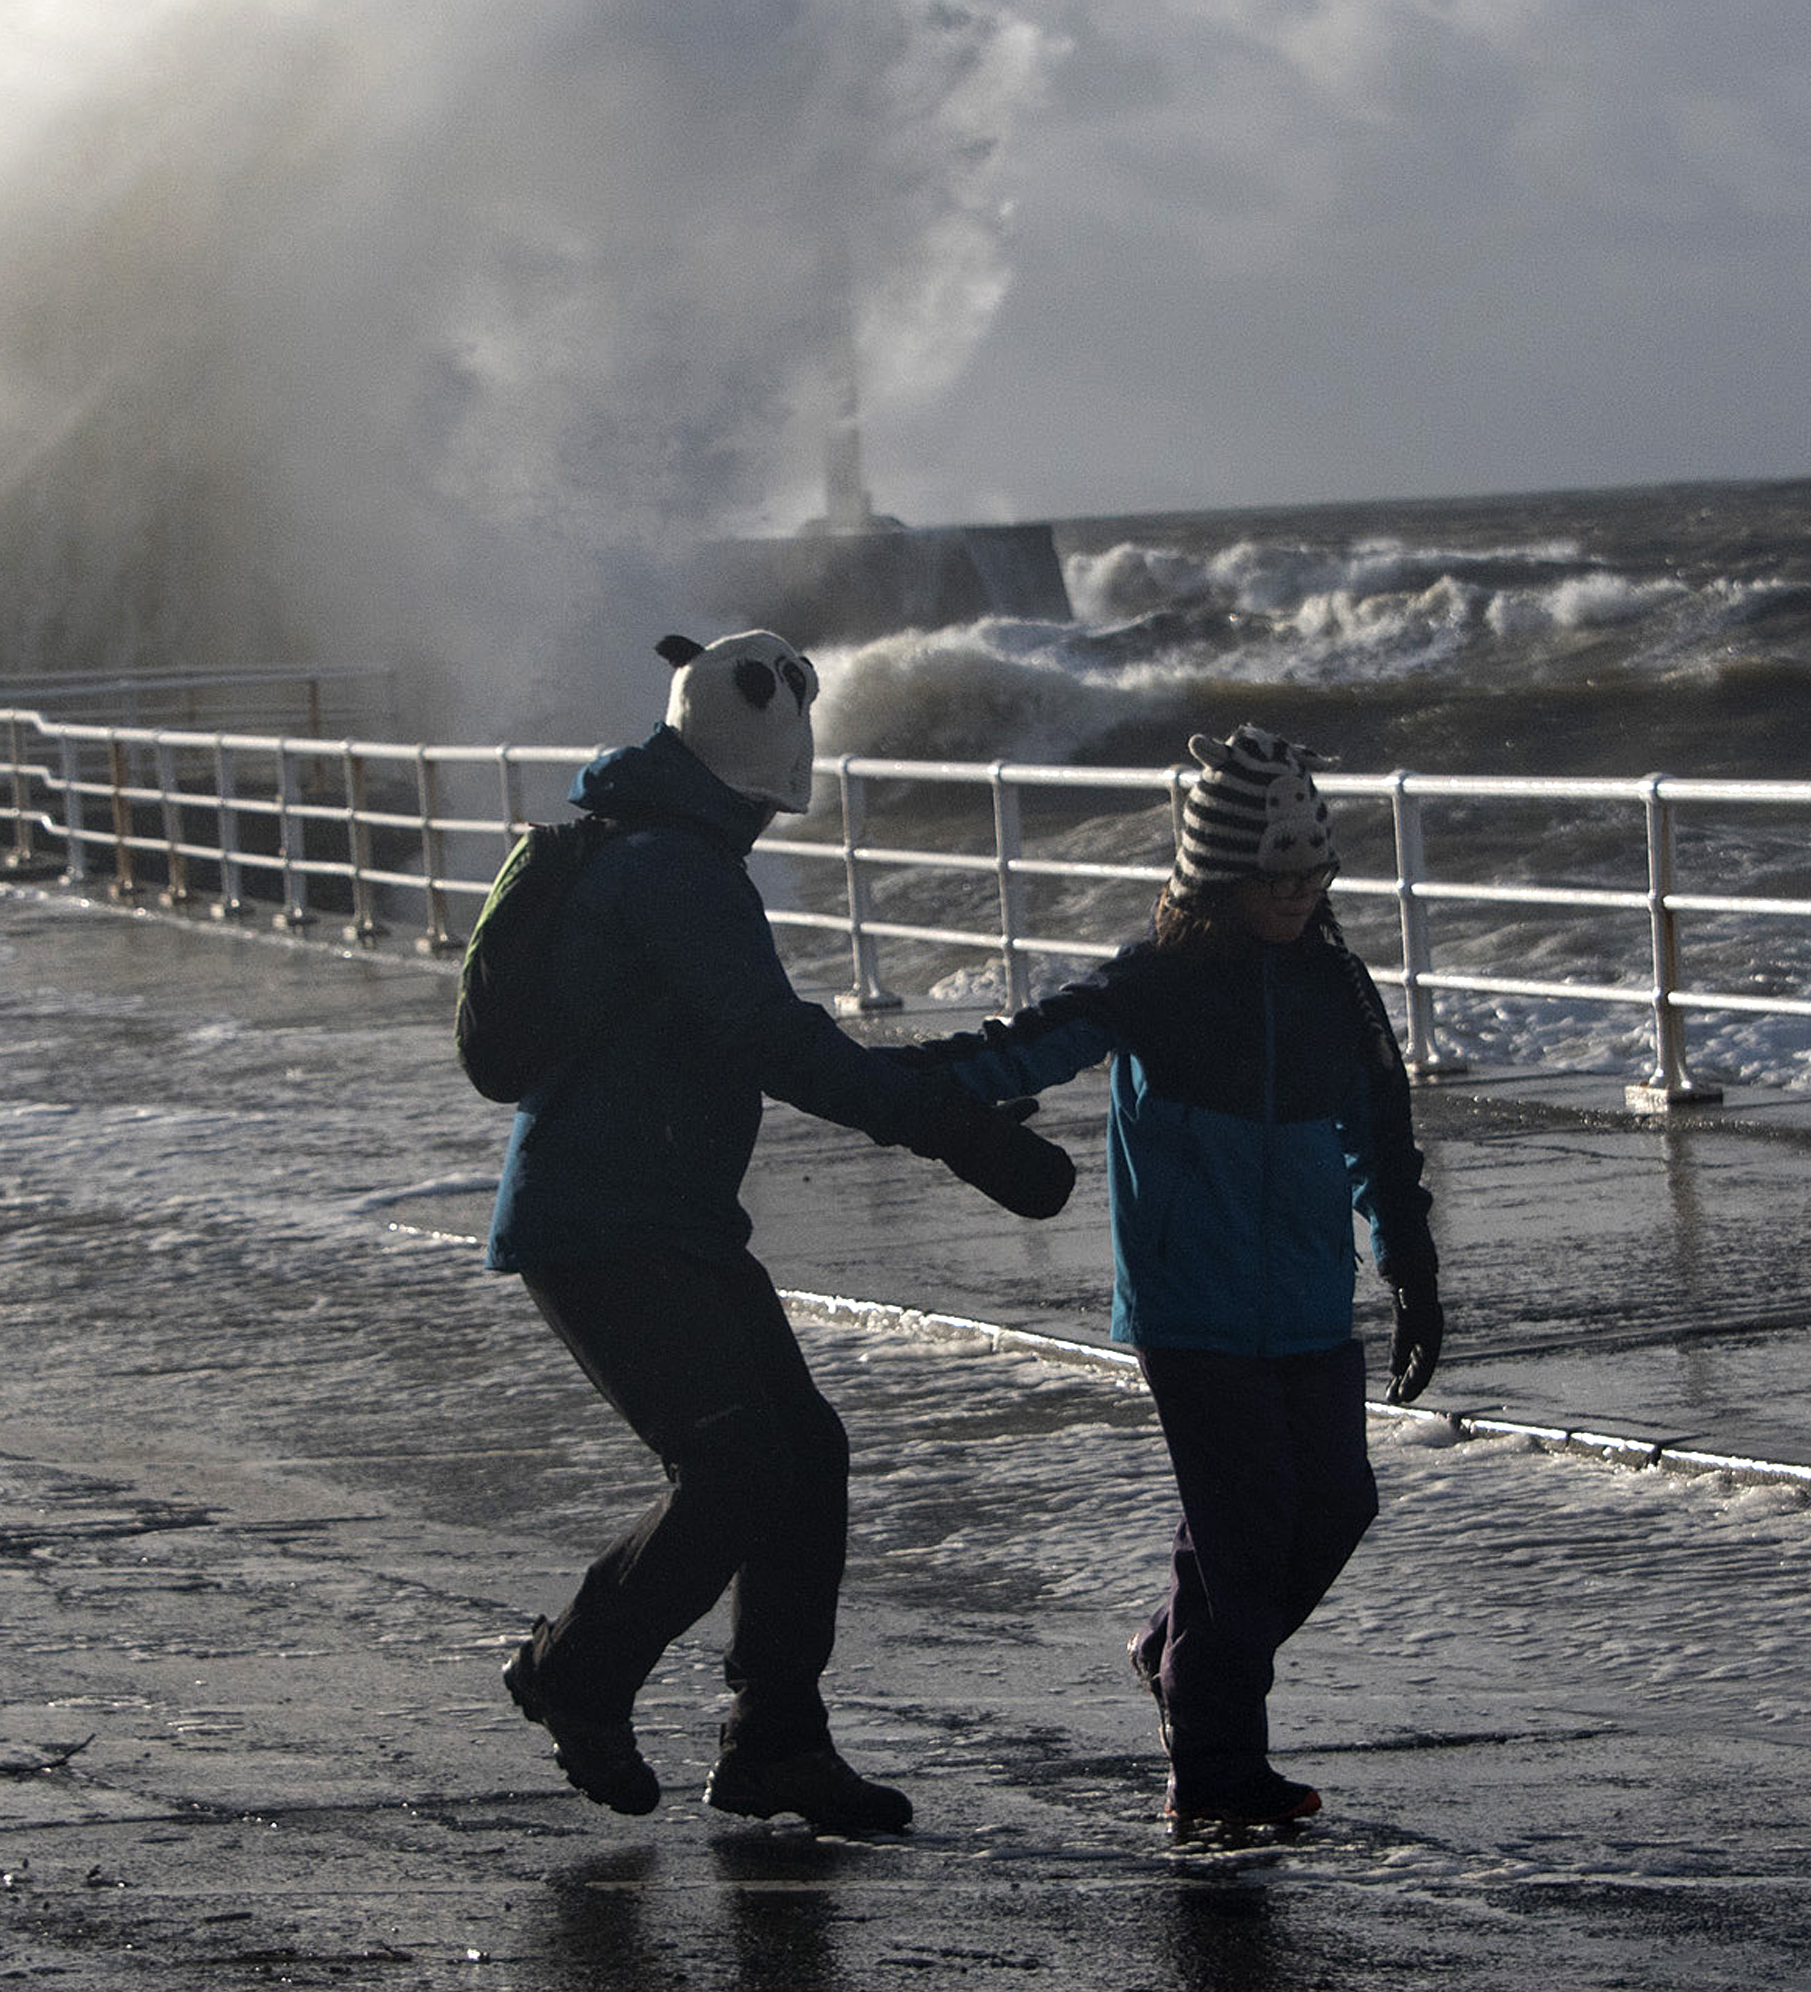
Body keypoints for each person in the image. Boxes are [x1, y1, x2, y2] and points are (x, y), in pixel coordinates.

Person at [490, 627, 1073, 1836]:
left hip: (664, 1216)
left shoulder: (657, 848)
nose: (766, 827)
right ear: (749, 785)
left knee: (801, 1454)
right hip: (601, 1222)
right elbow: (780, 1043)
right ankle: (578, 1672)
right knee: (738, 1466)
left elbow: (764, 1036)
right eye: (766, 805)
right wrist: (949, 1127)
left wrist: (939, 1103)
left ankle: (775, 1741)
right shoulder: (674, 873)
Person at [914, 725, 1446, 1830]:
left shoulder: (1336, 987)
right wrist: (894, 1085)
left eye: (1315, 873)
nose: (1299, 893)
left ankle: (1179, 1656)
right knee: (1243, 1525)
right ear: (1218, 874)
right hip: (1190, 1308)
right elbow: (1031, 1043)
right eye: (1277, 875)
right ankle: (1213, 1772)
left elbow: (1380, 1135)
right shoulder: (1157, 983)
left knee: (1333, 1510)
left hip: (1307, 1301)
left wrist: (1409, 1267)